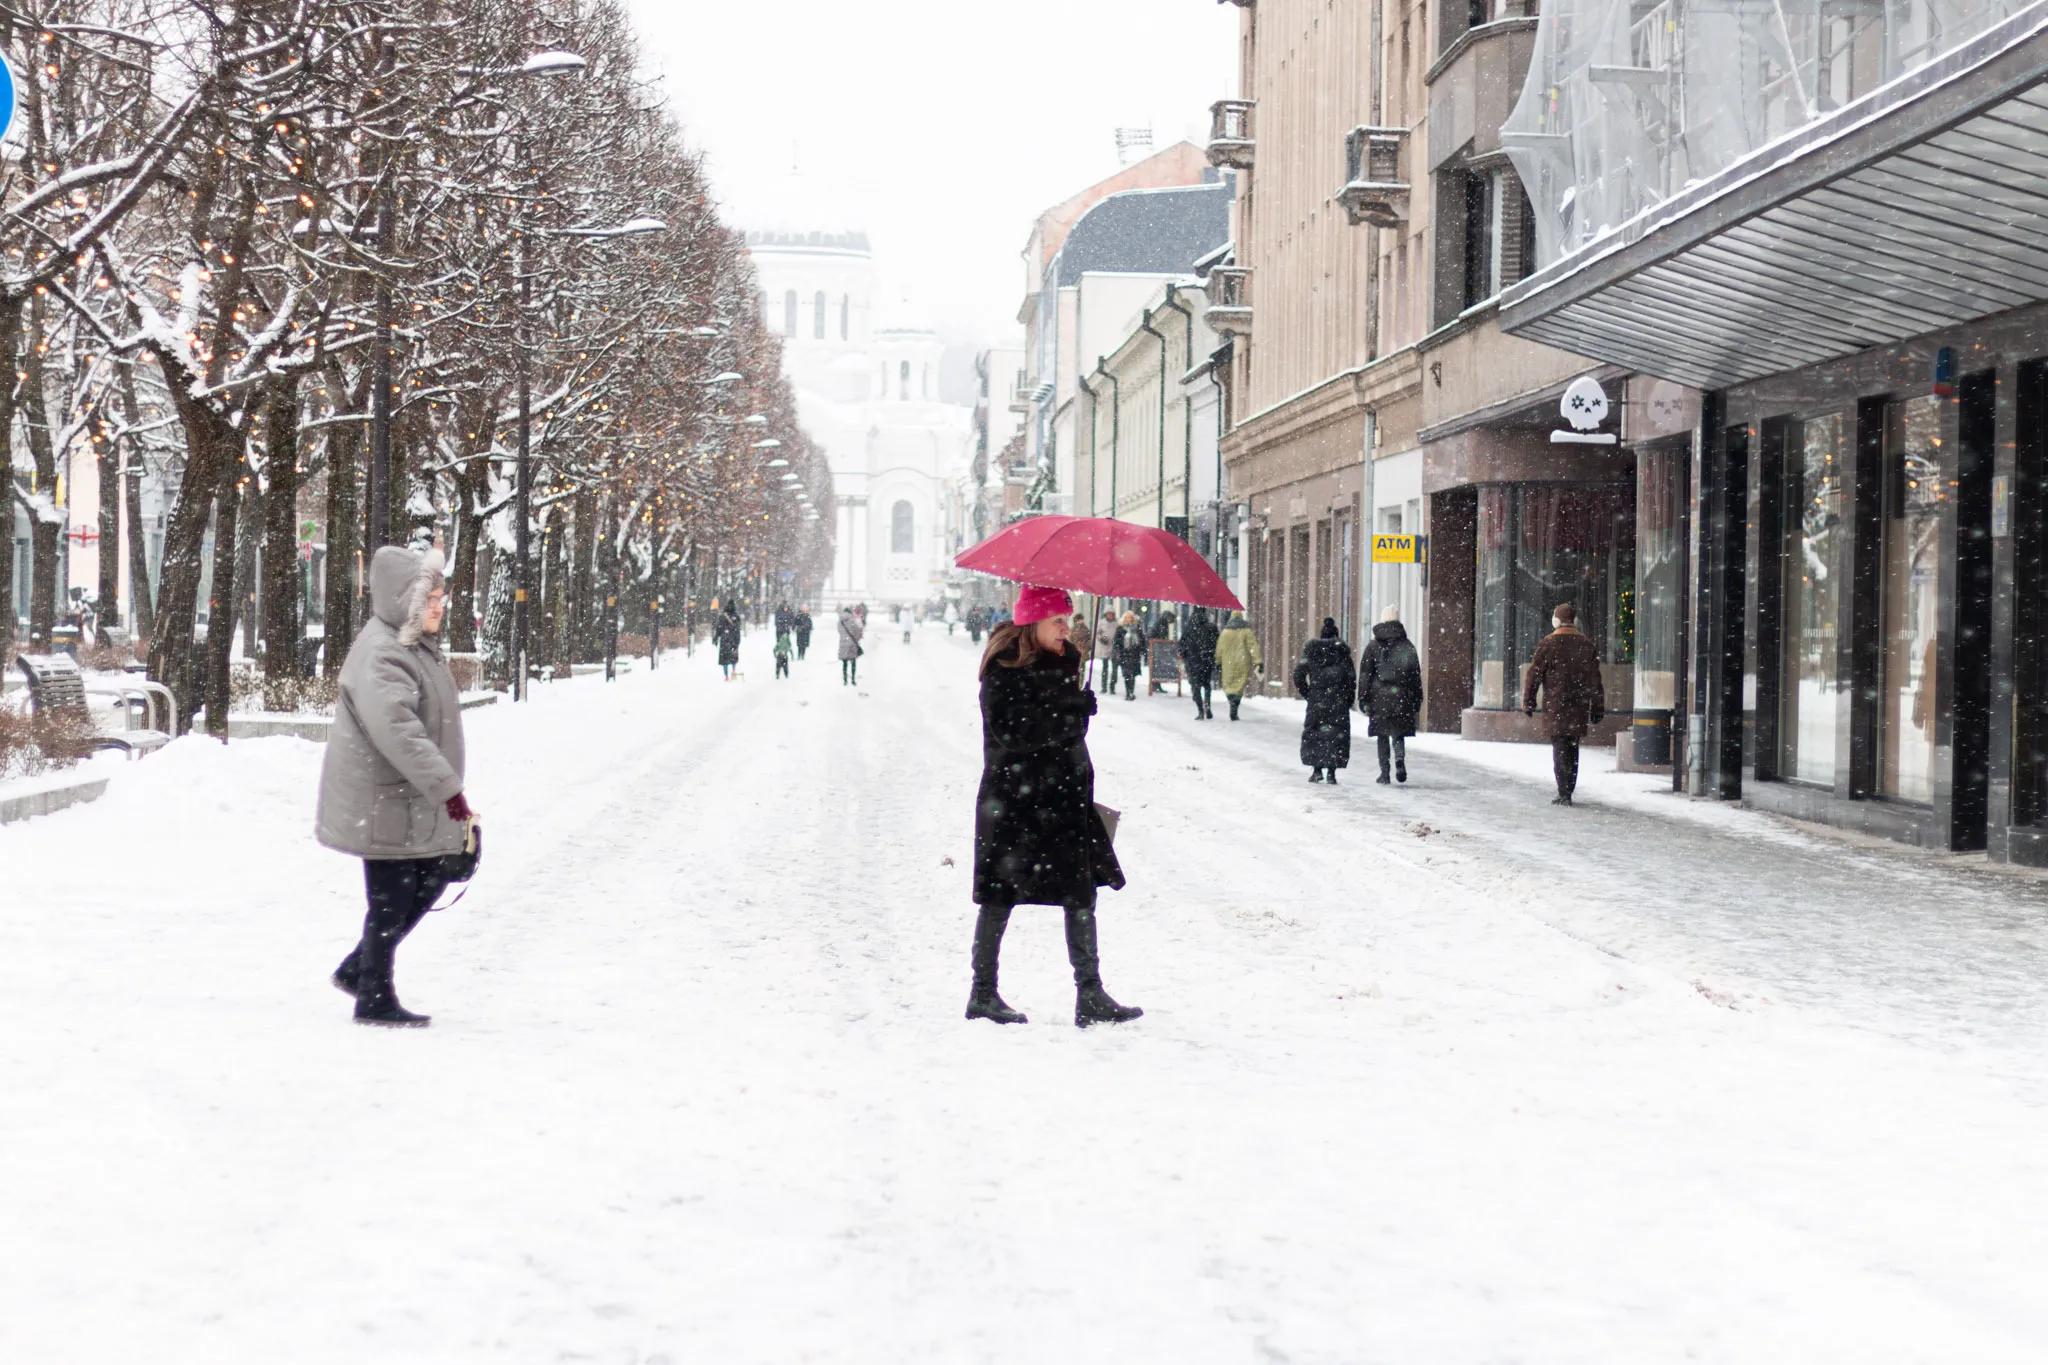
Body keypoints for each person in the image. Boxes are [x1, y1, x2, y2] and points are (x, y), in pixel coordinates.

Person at [969, 585, 1141, 1028]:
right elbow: (1015, 735)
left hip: (1064, 801)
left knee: (1081, 895)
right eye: (1058, 620)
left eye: (1068, 618)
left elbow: (1062, 732)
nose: (1068, 628)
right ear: (1032, 623)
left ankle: (1091, 995)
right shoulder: (1003, 669)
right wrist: (1070, 713)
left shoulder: (1066, 666)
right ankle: (982, 993)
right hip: (1015, 803)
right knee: (999, 897)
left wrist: (1076, 709)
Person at [316, 545, 471, 1028]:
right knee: (392, 900)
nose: (439, 606)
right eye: (431, 598)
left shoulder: (410, 643)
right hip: (383, 799)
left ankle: (359, 973)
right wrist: (448, 790)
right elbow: (399, 731)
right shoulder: (385, 652)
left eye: (442, 597)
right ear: (406, 599)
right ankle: (373, 995)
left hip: (400, 799)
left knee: (425, 881)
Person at [1523, 602, 1607, 806]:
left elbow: (1533, 675)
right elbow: (1595, 679)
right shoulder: (1586, 645)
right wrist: (1597, 707)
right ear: (1574, 621)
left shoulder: (1547, 644)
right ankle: (1569, 788)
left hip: (1556, 705)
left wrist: (1529, 702)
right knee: (1572, 747)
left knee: (1559, 748)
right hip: (1578, 706)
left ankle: (1563, 791)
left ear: (1556, 620)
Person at [1359, 604, 1424, 784]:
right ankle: (1400, 760)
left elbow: (1365, 675)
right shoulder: (1407, 645)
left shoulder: (1373, 646)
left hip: (1379, 696)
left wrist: (1363, 698)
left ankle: (1385, 772)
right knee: (1398, 732)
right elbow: (1414, 675)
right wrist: (1417, 699)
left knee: (1382, 734)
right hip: (1402, 695)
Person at [1293, 617, 1356, 784]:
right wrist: (1348, 699)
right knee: (1336, 734)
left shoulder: (1313, 653)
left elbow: (1298, 674)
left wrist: (1309, 693)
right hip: (1338, 701)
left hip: (1317, 700)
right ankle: (1332, 772)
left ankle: (1317, 770)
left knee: (1316, 733)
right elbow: (1351, 680)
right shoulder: (1343, 656)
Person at [1215, 611, 1262, 720]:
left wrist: (1218, 661)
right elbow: (1253, 647)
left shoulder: (1225, 632)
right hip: (1242, 661)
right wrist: (1258, 661)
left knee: (1228, 683)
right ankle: (1235, 704)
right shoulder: (1246, 631)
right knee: (1239, 685)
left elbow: (1219, 648)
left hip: (1228, 662)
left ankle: (1231, 699)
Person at [1178, 607, 1220, 720]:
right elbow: (1217, 643)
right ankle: (1207, 706)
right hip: (1207, 660)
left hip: (1193, 662)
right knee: (1206, 684)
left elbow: (1181, 646)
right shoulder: (1211, 627)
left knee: (1195, 687)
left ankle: (1200, 711)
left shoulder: (1189, 628)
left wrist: (1185, 655)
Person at [1113, 611, 1145, 701]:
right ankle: (1128, 692)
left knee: (1133, 674)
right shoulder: (1120, 629)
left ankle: (1131, 692)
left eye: (1131, 617)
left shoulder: (1137, 628)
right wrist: (1118, 649)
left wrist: (1142, 650)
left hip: (1134, 654)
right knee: (1127, 674)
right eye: (1127, 617)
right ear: (1124, 619)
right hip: (1125, 654)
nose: (1129, 619)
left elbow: (1142, 640)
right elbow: (1116, 641)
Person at [1093, 606, 1119, 691]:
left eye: (1111, 614)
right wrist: (1102, 638)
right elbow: (1097, 634)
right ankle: (1104, 687)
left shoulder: (1117, 623)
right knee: (1105, 668)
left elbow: (1120, 633)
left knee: (1114, 669)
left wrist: (1117, 641)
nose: (1110, 615)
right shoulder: (1102, 623)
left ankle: (1112, 686)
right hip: (1105, 648)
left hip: (1114, 648)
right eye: (1108, 614)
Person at [838, 604, 865, 685]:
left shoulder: (840, 621)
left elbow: (839, 631)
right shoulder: (852, 620)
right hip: (852, 644)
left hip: (843, 643)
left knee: (844, 663)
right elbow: (857, 631)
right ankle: (853, 679)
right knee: (853, 662)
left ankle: (845, 680)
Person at [715, 602, 742, 679]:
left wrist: (716, 638)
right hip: (733, 640)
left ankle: (726, 676)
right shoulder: (736, 616)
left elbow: (718, 628)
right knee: (733, 657)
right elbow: (738, 630)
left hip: (724, 640)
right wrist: (737, 642)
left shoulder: (723, 616)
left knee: (724, 659)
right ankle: (733, 670)